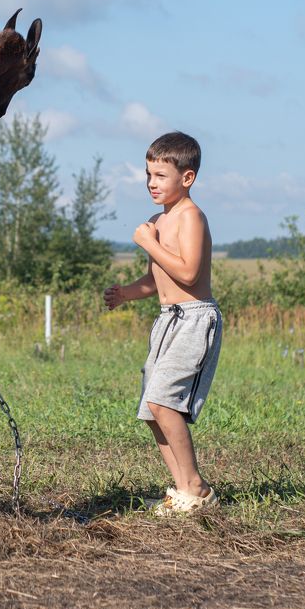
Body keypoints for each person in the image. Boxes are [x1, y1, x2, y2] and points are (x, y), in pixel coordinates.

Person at [104, 131, 221, 515]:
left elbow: (187, 274)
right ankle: (184, 489)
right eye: (148, 175)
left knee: (163, 401)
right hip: (167, 321)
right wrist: (126, 293)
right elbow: (158, 281)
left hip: (194, 319)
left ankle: (198, 489)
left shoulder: (191, 217)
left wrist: (149, 244)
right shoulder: (158, 220)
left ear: (186, 178)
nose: (151, 183)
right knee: (152, 409)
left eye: (160, 176)